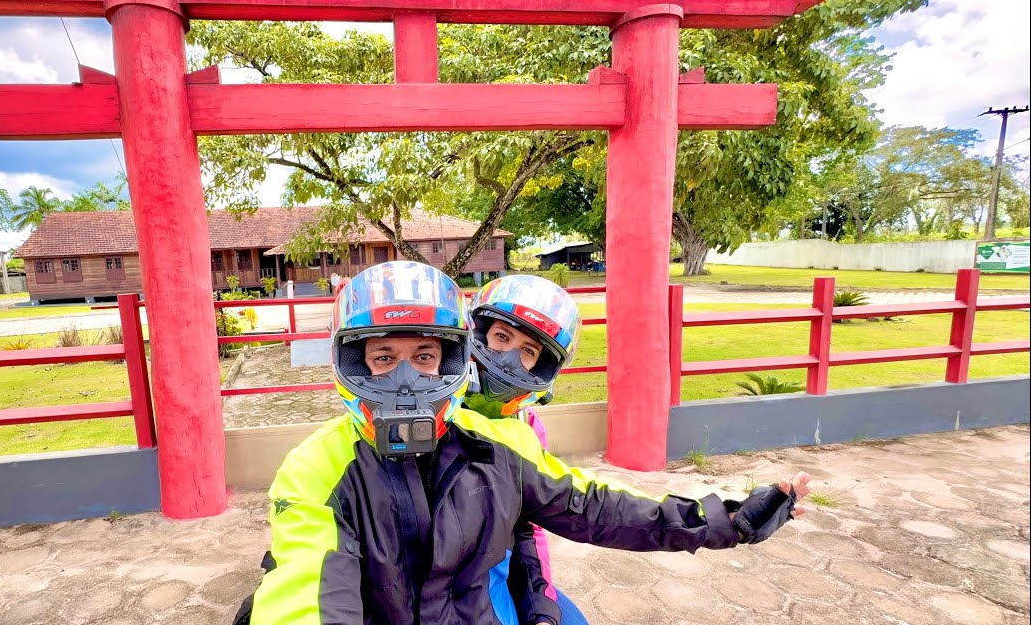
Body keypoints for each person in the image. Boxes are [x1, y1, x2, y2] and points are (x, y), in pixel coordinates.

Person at [240, 261, 810, 625]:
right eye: (384, 358)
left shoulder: (499, 444)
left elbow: (595, 507)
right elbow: (312, 593)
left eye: (425, 356)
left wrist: (726, 520)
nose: (406, 379)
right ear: (351, 361)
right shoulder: (314, 467)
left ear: (451, 360)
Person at [464, 274, 588, 625]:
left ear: (542, 365)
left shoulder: (528, 426)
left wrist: (540, 606)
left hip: (499, 566)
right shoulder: (439, 409)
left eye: (528, 351)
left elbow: (530, 525)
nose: (510, 358)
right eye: (502, 337)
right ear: (479, 335)